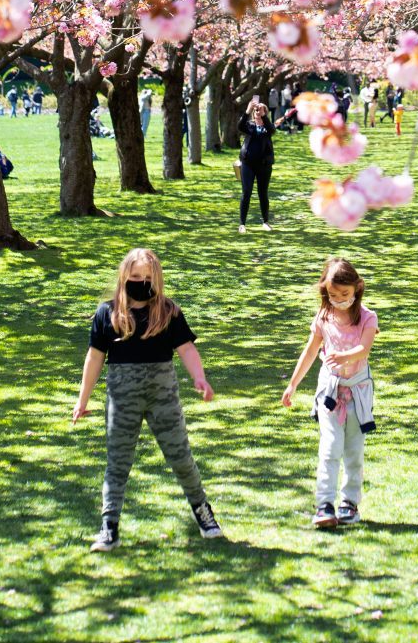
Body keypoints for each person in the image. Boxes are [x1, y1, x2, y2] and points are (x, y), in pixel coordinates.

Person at [73, 247, 223, 552]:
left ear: (157, 279)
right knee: (117, 463)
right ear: (123, 276)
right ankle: (109, 527)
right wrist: (82, 399)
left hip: (162, 399)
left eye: (147, 277)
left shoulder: (168, 311)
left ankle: (203, 513)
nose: (140, 281)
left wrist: (199, 377)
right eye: (135, 276)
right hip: (122, 401)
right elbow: (94, 358)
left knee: (181, 457)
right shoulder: (107, 313)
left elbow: (187, 350)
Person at [281, 258, 378, 530]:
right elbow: (311, 351)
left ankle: (349, 502)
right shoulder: (323, 317)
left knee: (353, 450)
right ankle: (325, 504)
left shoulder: (368, 317)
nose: (338, 300)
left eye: (344, 295)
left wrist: (343, 356)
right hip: (330, 394)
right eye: (333, 295)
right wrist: (293, 384)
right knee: (329, 447)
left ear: (357, 289)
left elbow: (364, 350)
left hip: (357, 394)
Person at [237, 98, 275, 233]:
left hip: (264, 165)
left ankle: (265, 221)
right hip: (248, 164)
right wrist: (247, 110)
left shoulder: (267, 127)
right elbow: (240, 126)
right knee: (246, 192)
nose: (258, 112)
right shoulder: (249, 125)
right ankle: (242, 224)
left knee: (262, 193)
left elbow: (272, 130)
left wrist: (264, 116)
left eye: (261, 110)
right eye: (256, 110)